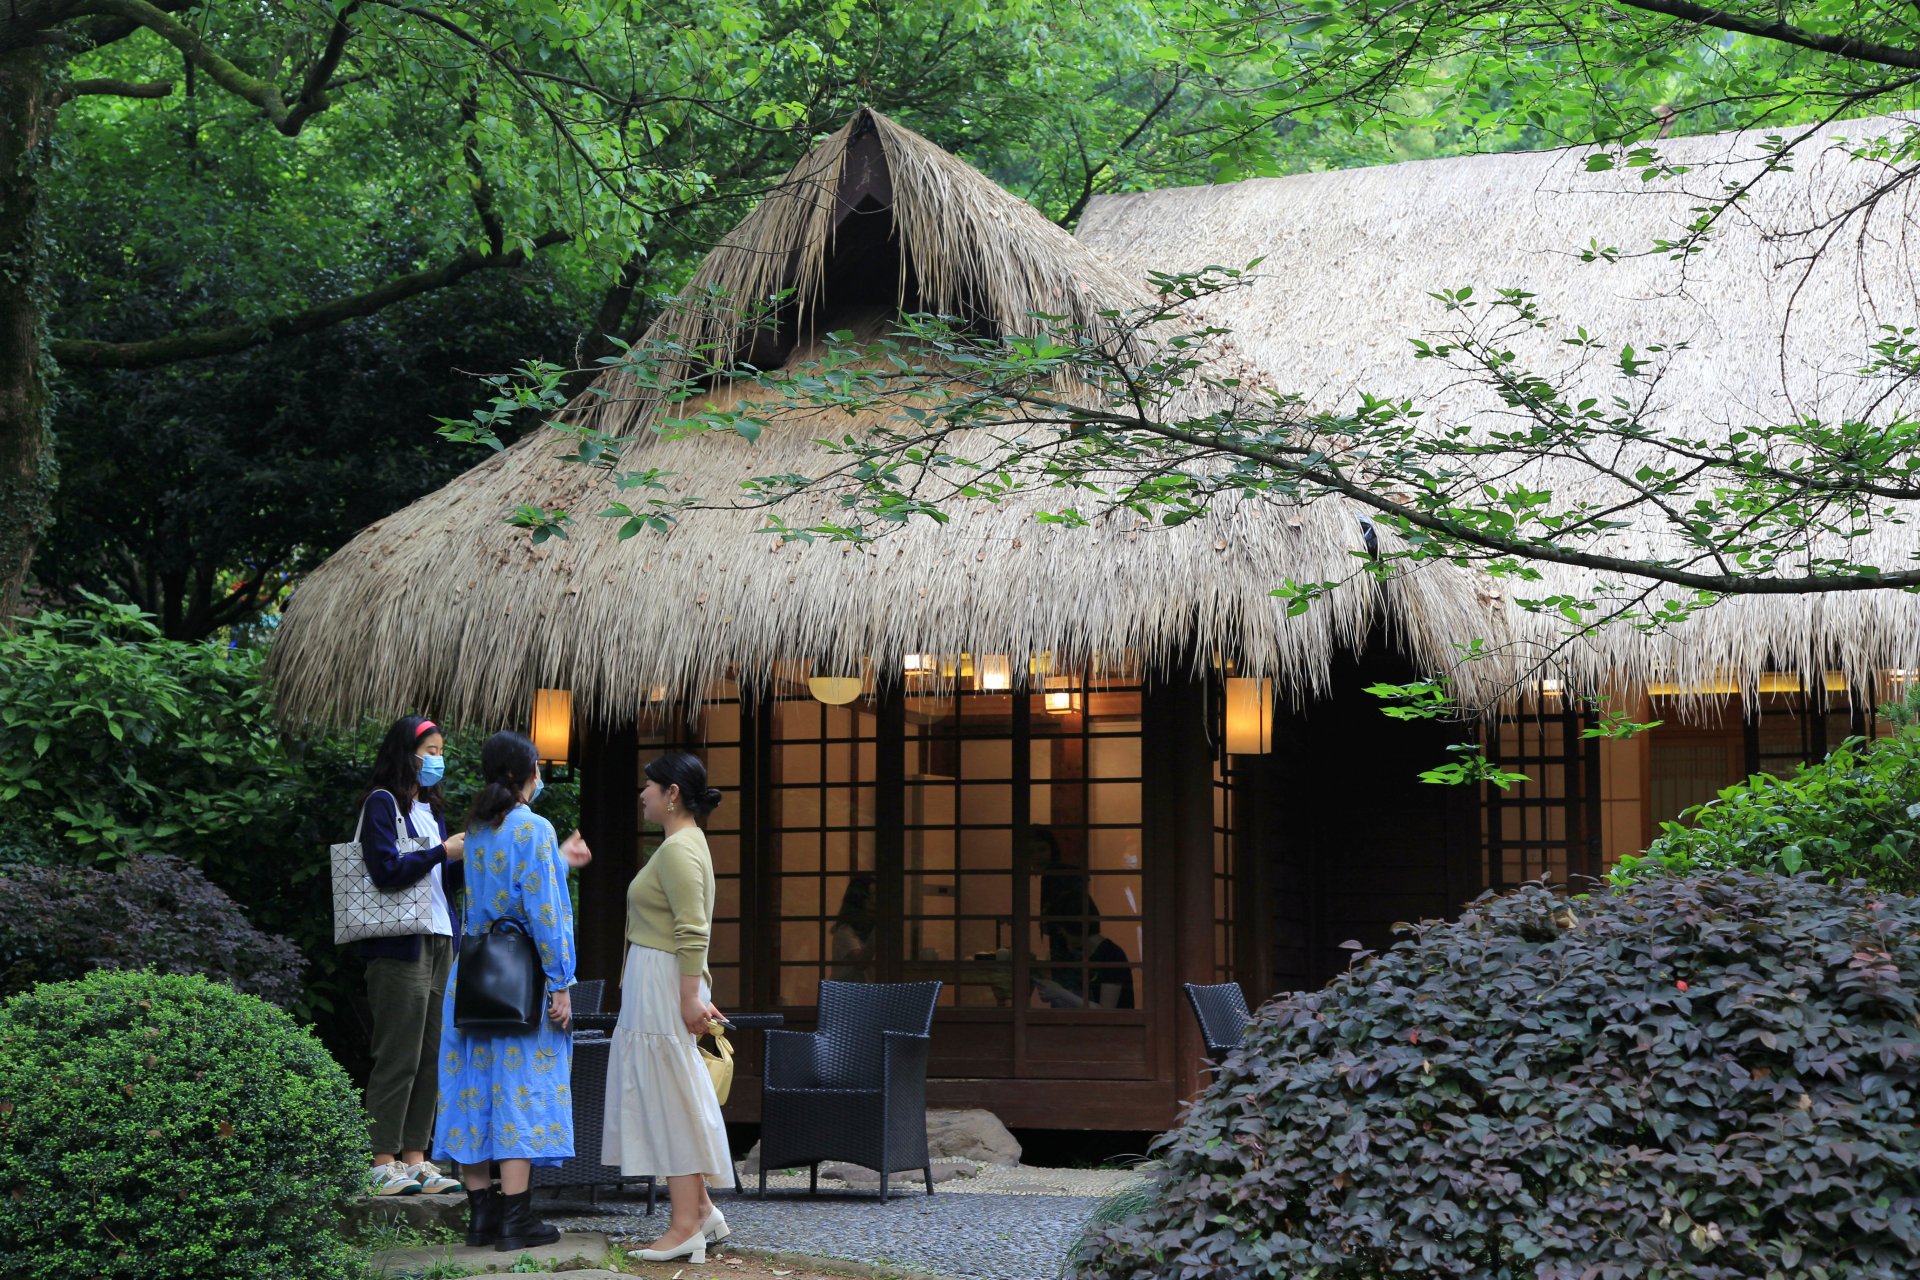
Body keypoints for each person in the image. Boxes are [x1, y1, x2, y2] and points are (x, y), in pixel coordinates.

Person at [432, 730, 585, 1252]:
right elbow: (544, 911)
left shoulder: (476, 827)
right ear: (526, 775)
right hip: (522, 978)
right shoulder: (535, 828)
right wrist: (561, 981)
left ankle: (483, 1218)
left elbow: (493, 896)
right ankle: (517, 1220)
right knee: (520, 1089)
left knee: (472, 1088)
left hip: (473, 975)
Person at [603, 751, 733, 1266]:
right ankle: (699, 1210)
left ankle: (683, 1227)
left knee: (669, 1093)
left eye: (650, 786)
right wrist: (691, 990)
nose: (643, 794)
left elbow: (692, 929)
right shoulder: (683, 845)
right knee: (668, 1088)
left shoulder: (680, 849)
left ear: (672, 793)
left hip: (661, 982)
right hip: (658, 979)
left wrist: (686, 997)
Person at [358, 715, 466, 1198]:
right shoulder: (382, 805)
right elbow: (385, 872)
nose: (437, 758)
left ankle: (417, 1159)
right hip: (399, 942)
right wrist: (443, 851)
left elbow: (441, 884)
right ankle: (382, 1159)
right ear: (408, 753)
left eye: (441, 749)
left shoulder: (432, 810)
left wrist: (457, 857)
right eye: (430, 749)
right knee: (398, 1051)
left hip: (440, 938)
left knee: (431, 1054)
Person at [830, 872, 877, 981]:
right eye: (872, 896)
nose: (875, 902)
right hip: (846, 995)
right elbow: (860, 963)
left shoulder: (867, 929)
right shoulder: (845, 932)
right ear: (859, 900)